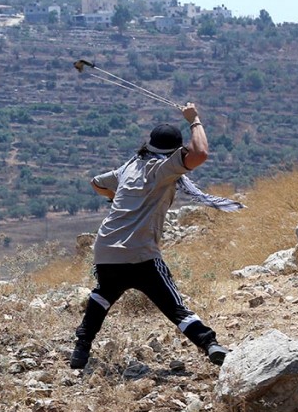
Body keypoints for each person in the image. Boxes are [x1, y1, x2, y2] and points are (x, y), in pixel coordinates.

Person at [70, 103, 237, 370]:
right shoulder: (163, 169)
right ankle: (210, 344)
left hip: (107, 249)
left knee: (103, 295)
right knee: (174, 306)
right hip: (141, 253)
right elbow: (200, 153)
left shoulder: (130, 167)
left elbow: (97, 183)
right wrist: (194, 120)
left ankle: (80, 350)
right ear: (173, 151)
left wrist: (118, 198)